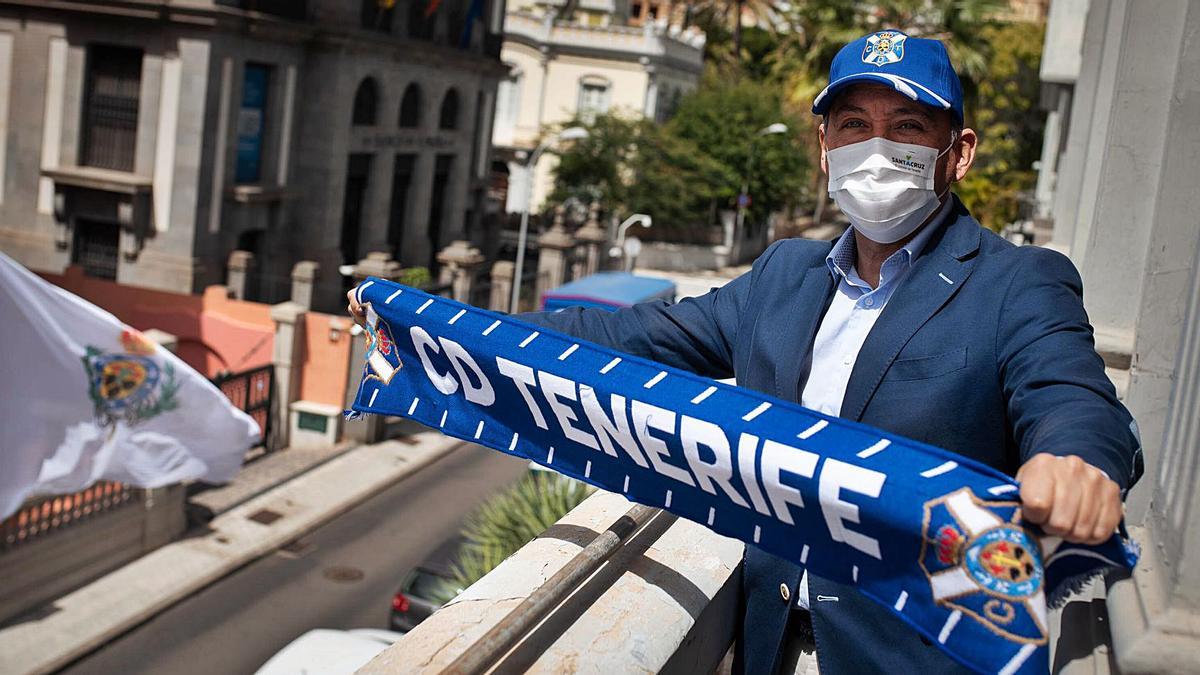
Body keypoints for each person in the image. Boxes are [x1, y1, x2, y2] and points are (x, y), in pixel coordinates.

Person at [348, 29, 1141, 674]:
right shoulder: (784, 274)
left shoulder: (1018, 283)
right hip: (765, 646)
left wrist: (1075, 461)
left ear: (956, 153)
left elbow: (1071, 396)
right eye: (854, 125)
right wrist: (443, 324)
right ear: (823, 145)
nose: (876, 147)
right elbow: (629, 340)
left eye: (906, 127)